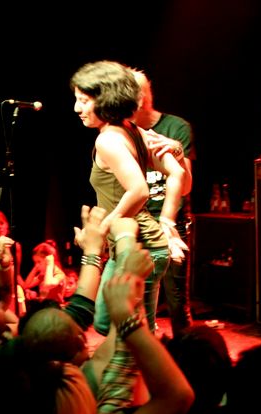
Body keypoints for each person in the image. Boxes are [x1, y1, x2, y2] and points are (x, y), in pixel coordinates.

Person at [70, 60, 188, 337]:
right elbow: (176, 173)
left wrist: (102, 229)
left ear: (106, 99)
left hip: (142, 246)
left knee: (134, 333)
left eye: (84, 101)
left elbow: (139, 190)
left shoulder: (108, 140)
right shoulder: (133, 131)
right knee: (105, 322)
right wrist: (166, 220)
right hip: (132, 244)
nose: (76, 108)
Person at [132, 69, 196, 337]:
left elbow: (185, 185)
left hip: (170, 226)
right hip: (136, 224)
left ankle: (186, 354)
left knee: (176, 301)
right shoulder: (121, 131)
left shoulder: (175, 127)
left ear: (141, 99)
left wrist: (177, 151)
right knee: (134, 298)